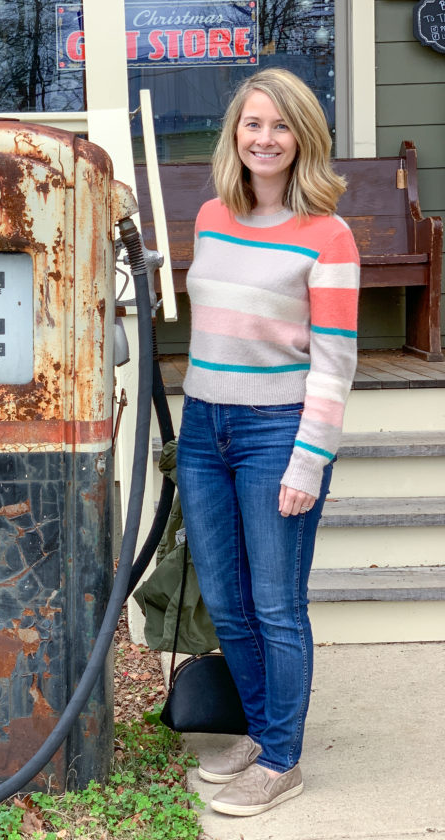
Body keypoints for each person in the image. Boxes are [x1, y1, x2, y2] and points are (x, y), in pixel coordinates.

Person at [175, 68, 359, 817]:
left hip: (276, 430)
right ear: (236, 134)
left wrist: (308, 457)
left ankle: (282, 757)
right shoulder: (212, 215)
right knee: (225, 596)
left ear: (303, 138)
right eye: (253, 124)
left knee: (277, 603)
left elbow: (336, 358)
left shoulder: (329, 235)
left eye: (281, 126)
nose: (265, 138)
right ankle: (259, 730)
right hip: (202, 427)